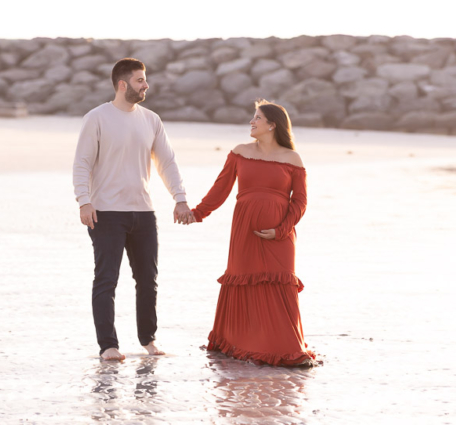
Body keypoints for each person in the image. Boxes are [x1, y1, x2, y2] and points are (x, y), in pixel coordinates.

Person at [73, 58, 195, 361]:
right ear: (122, 84)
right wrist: (83, 200)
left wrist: (180, 198)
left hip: (143, 212)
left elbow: (166, 161)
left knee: (147, 280)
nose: (146, 85)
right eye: (140, 80)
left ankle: (148, 339)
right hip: (105, 213)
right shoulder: (97, 118)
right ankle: (108, 346)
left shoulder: (151, 119)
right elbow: (82, 162)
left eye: (145, 80)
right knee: (106, 279)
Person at [191, 99, 318, 367]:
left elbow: (300, 202)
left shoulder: (292, 158)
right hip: (244, 233)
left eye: (257, 118)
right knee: (243, 282)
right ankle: (239, 345)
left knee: (279, 285)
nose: (252, 122)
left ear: (272, 125)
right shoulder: (239, 152)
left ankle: (289, 350)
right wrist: (197, 213)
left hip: (280, 238)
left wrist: (281, 230)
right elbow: (221, 189)